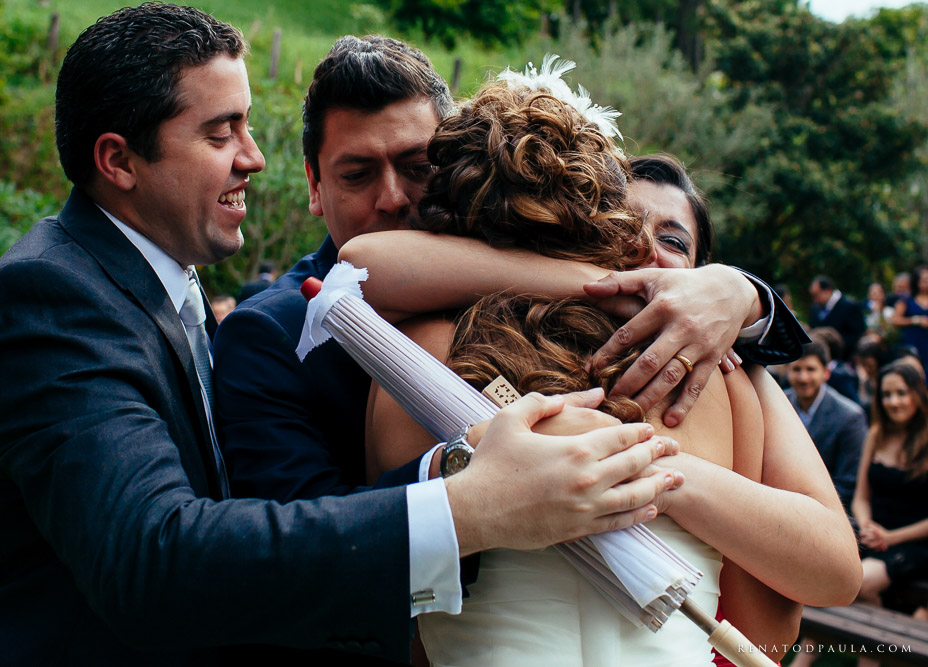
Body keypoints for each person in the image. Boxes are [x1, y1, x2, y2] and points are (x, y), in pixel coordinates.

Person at [0, 8, 683, 666]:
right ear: (119, 161)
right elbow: (151, 557)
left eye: (249, 126)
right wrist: (468, 503)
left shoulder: (162, 279)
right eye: (219, 132)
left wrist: (738, 295)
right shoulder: (49, 298)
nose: (251, 157)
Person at [355, 74, 858, 665]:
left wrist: (641, 468)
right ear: (601, 224)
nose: (647, 254)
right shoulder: (721, 382)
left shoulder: (409, 367)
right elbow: (763, 618)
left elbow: (408, 615)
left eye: (674, 241)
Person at [213, 37, 804, 507]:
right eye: (357, 174)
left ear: (454, 163)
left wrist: (741, 293)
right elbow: (299, 537)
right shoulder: (270, 335)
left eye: (415, 166)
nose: (392, 198)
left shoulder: (577, 315)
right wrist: (468, 481)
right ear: (315, 188)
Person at [798, 361, 928, 667]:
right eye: (886, 395)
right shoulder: (877, 434)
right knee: (826, 567)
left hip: (913, 544)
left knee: (854, 581)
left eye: (901, 393)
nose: (893, 401)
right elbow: (861, 497)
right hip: (874, 533)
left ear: (917, 395)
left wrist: (891, 536)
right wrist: (866, 522)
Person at [785, 339, 866, 510]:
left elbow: (848, 481)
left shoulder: (850, 416)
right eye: (797, 369)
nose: (803, 377)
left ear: (826, 372)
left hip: (827, 509)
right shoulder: (777, 403)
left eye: (810, 369)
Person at [809, 274, 865, 360]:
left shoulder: (849, 306)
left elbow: (858, 335)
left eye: (816, 295)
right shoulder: (816, 309)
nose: (815, 300)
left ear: (828, 291)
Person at [892, 266, 928, 369]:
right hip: (913, 341)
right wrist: (915, 320)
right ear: (917, 282)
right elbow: (895, 319)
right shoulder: (907, 300)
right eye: (924, 280)